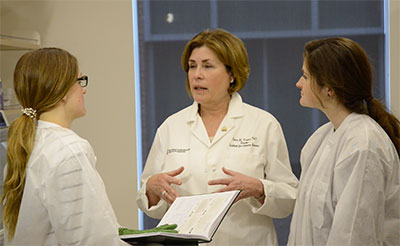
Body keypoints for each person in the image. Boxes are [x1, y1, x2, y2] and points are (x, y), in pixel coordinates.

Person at [136, 28, 299, 245]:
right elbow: (152, 205)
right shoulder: (171, 127)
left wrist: (260, 189)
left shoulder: (263, 124)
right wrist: (152, 189)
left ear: (232, 74)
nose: (196, 74)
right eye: (192, 66)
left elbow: (289, 199)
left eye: (207, 66)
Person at [1, 48, 129, 245]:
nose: (84, 89)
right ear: (62, 91)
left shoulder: (24, 147)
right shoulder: (69, 150)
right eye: (80, 81)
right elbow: (93, 240)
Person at [288, 37, 400, 245]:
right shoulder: (321, 138)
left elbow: (354, 235)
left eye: (305, 76)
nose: (298, 83)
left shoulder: (363, 145)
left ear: (328, 88)